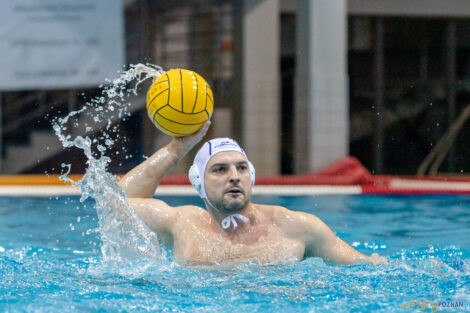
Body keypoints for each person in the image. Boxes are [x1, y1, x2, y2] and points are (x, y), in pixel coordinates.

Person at [119, 121, 387, 266]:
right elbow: (118, 204)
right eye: (220, 169)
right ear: (198, 182)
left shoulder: (297, 228)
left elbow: (368, 269)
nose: (234, 175)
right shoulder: (183, 223)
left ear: (252, 176)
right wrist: (177, 149)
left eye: (241, 168)